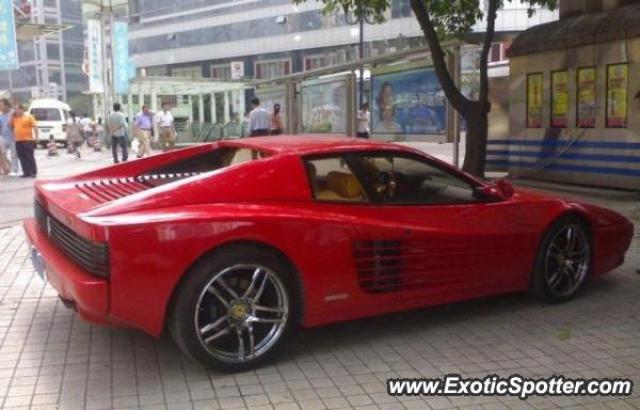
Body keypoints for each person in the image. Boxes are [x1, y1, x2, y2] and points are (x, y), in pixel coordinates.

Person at [10, 104, 38, 178]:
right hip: (18, 140)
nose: (16, 111)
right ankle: (26, 172)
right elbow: (10, 126)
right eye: (15, 109)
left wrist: (37, 137)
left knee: (29, 156)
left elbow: (35, 127)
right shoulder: (15, 118)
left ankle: (33, 172)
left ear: (22, 109)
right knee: (22, 157)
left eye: (17, 109)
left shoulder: (29, 117)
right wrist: (11, 116)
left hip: (28, 140)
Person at [0, 99, 19, 176]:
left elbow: (18, 111)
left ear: (6, 105)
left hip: (13, 137)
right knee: (2, 154)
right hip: (3, 137)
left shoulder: (13, 113)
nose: (0, 107)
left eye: (1, 105)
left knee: (14, 154)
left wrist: (14, 109)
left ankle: (14, 170)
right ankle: (8, 167)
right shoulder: (1, 115)